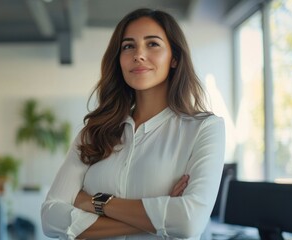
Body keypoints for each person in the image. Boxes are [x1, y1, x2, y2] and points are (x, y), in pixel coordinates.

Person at [41, 8, 225, 240]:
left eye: (153, 44)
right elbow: (50, 218)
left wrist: (92, 202)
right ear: (119, 60)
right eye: (128, 46)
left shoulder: (204, 129)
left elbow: (189, 222)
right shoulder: (94, 132)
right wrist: (159, 213)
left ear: (174, 58)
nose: (138, 54)